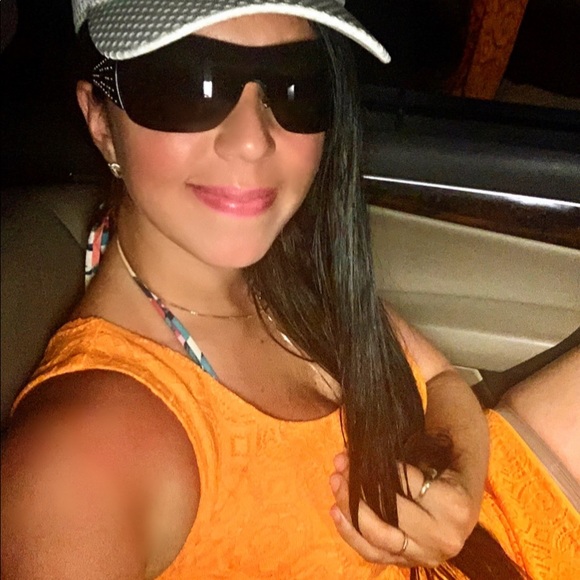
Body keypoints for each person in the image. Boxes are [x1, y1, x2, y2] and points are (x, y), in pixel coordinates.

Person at [1, 1, 577, 578]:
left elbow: (440, 380)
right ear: (100, 120)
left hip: (495, 532)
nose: (253, 140)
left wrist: (458, 487)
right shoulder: (79, 461)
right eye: (189, 85)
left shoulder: (285, 271)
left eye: (294, 88)